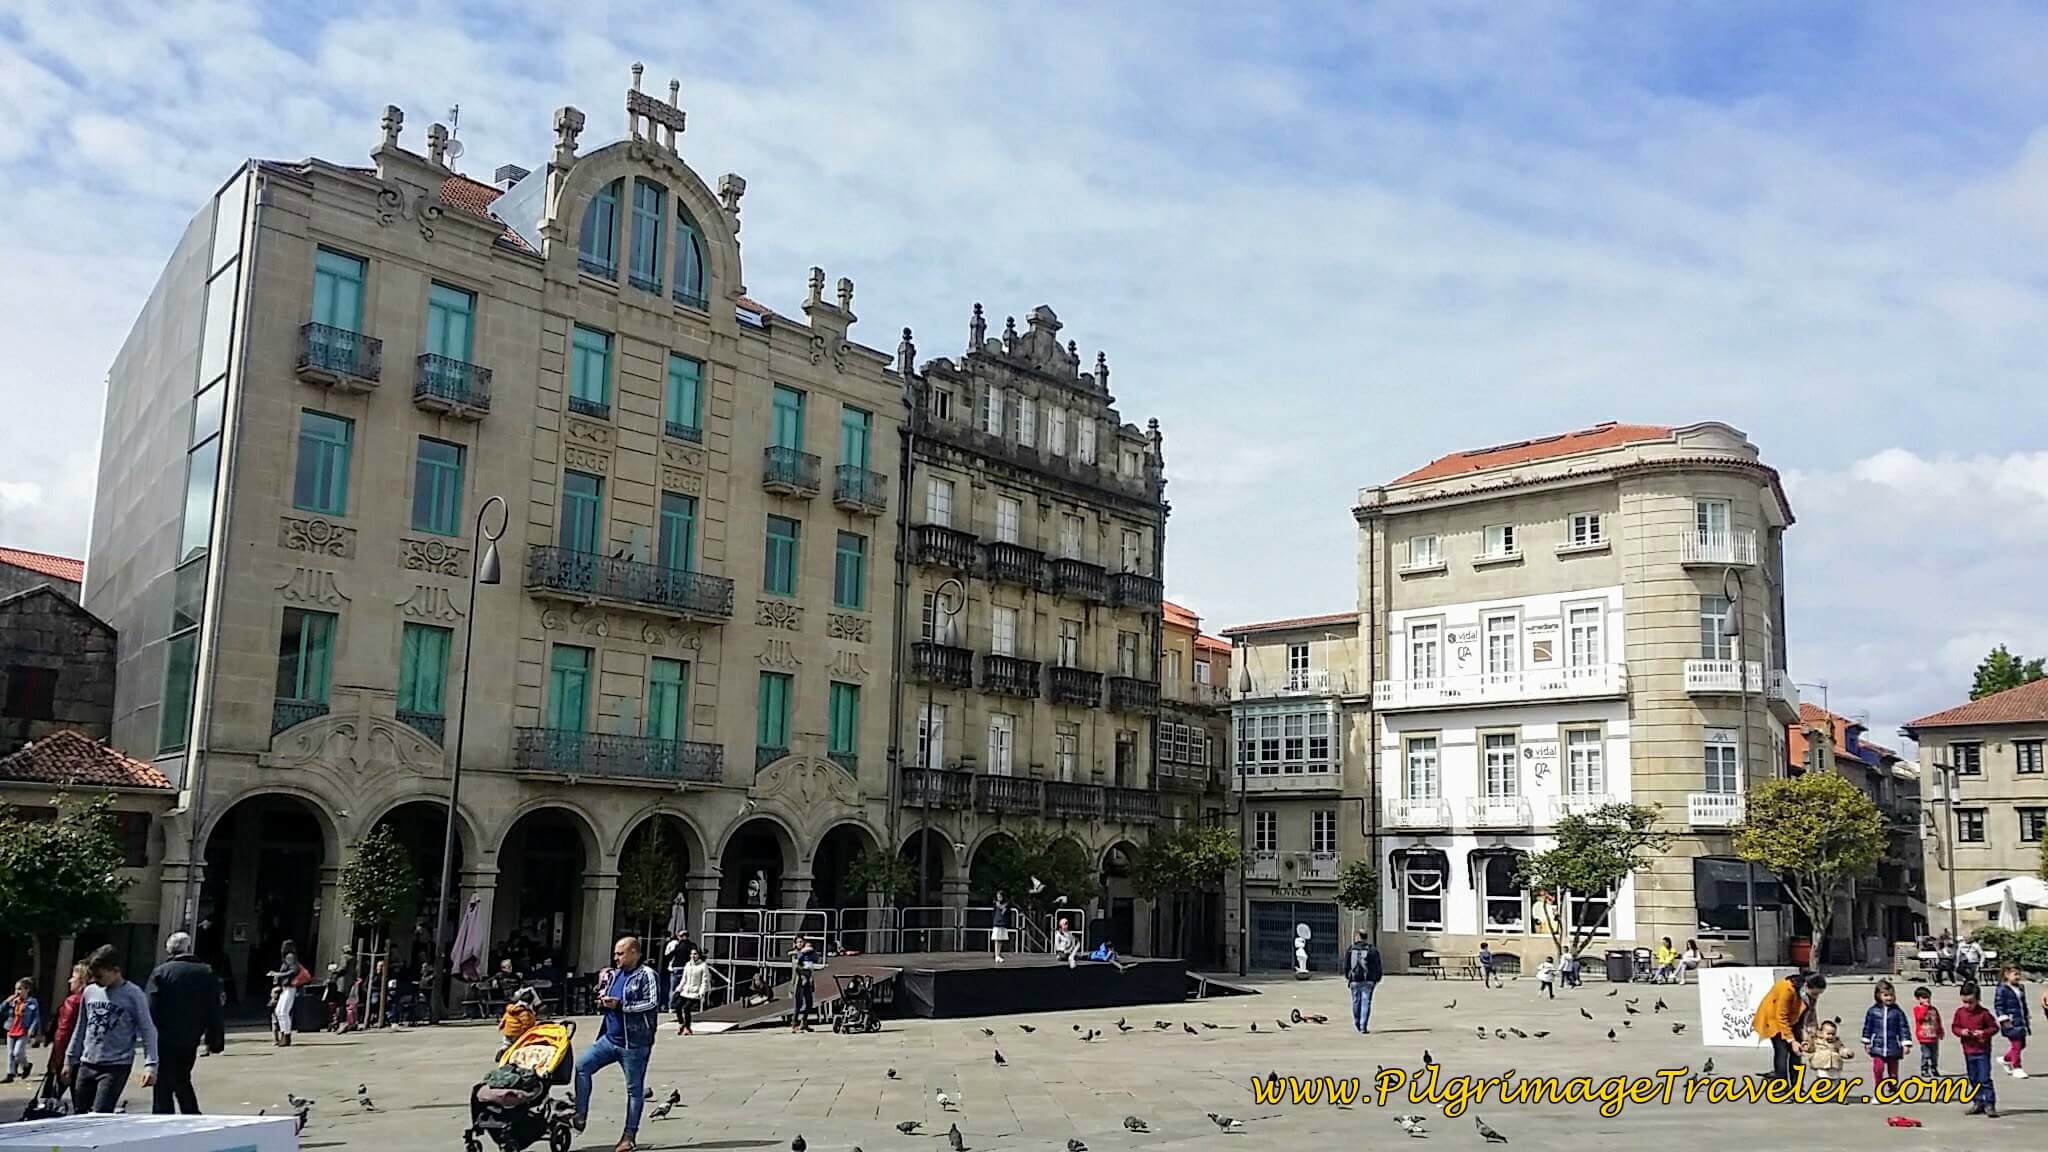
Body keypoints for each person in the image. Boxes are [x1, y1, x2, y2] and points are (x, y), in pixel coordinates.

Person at [572, 937, 660, 1152]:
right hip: (609, 1038)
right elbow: (608, 995)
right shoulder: (616, 974)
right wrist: (603, 1000)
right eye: (615, 954)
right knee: (582, 1066)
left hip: (634, 1043)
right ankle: (580, 1114)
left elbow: (652, 1002)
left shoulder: (647, 975)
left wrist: (621, 1005)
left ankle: (629, 1136)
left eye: (620, 954)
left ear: (634, 953)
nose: (616, 957)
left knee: (634, 1090)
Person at [63, 945, 159, 1114]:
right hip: (88, 1062)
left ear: (115, 970)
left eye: (100, 976)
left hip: (116, 1065)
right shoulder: (90, 992)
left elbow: (147, 1030)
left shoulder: (133, 994)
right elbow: (81, 1026)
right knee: (79, 1113)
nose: (97, 980)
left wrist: (150, 1065)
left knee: (100, 1113)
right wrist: (69, 1060)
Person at [143, 931, 224, 1114]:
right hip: (191, 1036)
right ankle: (191, 1114)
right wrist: (215, 1038)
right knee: (181, 1076)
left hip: (163, 1037)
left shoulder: (161, 972)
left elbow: (150, 1007)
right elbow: (214, 1008)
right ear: (188, 947)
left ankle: (167, 1118)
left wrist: (147, 1035)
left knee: (164, 1081)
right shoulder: (206, 972)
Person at [1752, 971, 1819, 1082]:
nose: (1816, 997)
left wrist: (1812, 1034)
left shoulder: (1809, 993)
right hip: (1774, 1020)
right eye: (1815, 993)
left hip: (1793, 1018)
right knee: (1782, 1052)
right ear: (1806, 986)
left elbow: (1811, 1013)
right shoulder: (1787, 989)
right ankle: (1781, 1086)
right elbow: (1781, 1017)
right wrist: (1792, 1041)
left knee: (1797, 1054)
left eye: (1818, 994)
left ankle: (1797, 1087)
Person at [1953, 981, 2001, 1117]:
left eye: (1970, 1002)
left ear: (1977, 999)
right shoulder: (1960, 1012)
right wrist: (1961, 1031)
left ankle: (1990, 1104)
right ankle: (1978, 1102)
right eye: (1965, 1002)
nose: (1967, 1005)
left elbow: (1994, 1027)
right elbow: (1954, 1027)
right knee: (1973, 1078)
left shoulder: (1984, 1013)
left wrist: (1983, 1033)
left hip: (1982, 1051)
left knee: (1984, 1078)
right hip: (1968, 1051)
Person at [1862, 979, 1911, 1088]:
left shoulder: (1897, 1012)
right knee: (1878, 1070)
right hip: (1877, 1046)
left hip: (1893, 1046)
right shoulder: (1872, 1011)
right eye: (1886, 995)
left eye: (1891, 995)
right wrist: (1867, 1041)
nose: (1889, 998)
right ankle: (1878, 1091)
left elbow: (1903, 1028)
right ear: (1878, 996)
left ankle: (1893, 1091)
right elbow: (1868, 1027)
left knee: (1893, 1073)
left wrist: (1905, 1043)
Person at [1341, 929, 1382, 1034]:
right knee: (1366, 1002)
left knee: (1355, 1001)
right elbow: (1378, 965)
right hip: (1368, 980)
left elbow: (1346, 965)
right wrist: (1377, 978)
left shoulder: (1351, 949)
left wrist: (1348, 976)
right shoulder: (1372, 950)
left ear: (1357, 937)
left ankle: (1357, 1023)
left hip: (1354, 980)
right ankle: (1363, 1026)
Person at [1993, 963, 2030, 1078]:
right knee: (2016, 1045)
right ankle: (2017, 1067)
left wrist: (2027, 1015)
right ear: (2006, 974)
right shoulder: (2002, 989)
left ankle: (2005, 1059)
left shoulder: (2020, 987)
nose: (2018, 977)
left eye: (2019, 974)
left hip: (2021, 1020)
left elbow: (2023, 1004)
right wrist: (2003, 1018)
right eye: (2015, 974)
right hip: (2011, 1021)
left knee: (2022, 1044)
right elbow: (1999, 1005)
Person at [49, 964, 87, 1072]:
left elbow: (64, 1031)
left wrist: (57, 1060)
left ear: (81, 981)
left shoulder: (73, 1001)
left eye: (73, 978)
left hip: (68, 1053)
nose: (70, 981)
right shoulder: (92, 999)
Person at [270, 940, 307, 1045]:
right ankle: (284, 1035)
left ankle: (286, 1036)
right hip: (286, 988)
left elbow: (293, 971)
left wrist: (278, 974)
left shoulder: (290, 957)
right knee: (279, 1011)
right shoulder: (289, 958)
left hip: (290, 988)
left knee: (283, 1012)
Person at [2, 977, 39, 1083]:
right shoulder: (13, 1001)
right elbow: (1, 1009)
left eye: (19, 989)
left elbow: (36, 1017)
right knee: (10, 1053)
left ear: (27, 990)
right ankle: (10, 1074)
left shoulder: (32, 1002)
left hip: (23, 1031)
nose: (17, 992)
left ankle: (26, 1065)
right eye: (16, 989)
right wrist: (6, 1002)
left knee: (18, 1053)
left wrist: (33, 1030)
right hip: (11, 1029)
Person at [789, 935, 821, 1033]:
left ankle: (804, 1022)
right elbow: (797, 967)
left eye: (802, 941)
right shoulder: (796, 954)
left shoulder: (808, 952)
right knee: (798, 1004)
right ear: (795, 944)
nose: (800, 943)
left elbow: (816, 958)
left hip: (808, 980)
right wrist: (805, 973)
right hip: (798, 981)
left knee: (809, 1003)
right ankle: (794, 1024)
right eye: (798, 942)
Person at [1912, 984, 1944, 1078]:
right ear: (1918, 999)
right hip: (1924, 1036)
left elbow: (1937, 1020)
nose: (1927, 1000)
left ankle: (1934, 1068)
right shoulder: (1917, 1009)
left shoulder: (1933, 1009)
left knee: (1934, 1054)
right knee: (1926, 1054)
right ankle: (1924, 1069)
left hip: (1934, 1036)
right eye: (1924, 998)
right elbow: (1919, 1018)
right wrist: (1925, 1008)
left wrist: (1940, 1031)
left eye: (1928, 998)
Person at [674, 947, 708, 1036]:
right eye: (692, 954)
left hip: (695, 992)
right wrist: (678, 989)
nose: (693, 956)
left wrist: (702, 992)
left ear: (699, 955)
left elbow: (704, 980)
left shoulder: (703, 966)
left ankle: (687, 1028)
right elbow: (684, 979)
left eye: (695, 954)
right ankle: (681, 1024)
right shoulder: (688, 964)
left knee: (686, 1008)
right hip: (685, 991)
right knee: (677, 1006)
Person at [990, 893, 1011, 964]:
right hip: (997, 923)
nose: (999, 898)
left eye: (1000, 896)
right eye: (998, 896)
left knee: (1000, 939)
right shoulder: (996, 904)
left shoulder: (1006, 905)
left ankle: (998, 954)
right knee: (997, 939)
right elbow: (998, 908)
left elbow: (1006, 910)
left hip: (1003, 923)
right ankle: (996, 955)